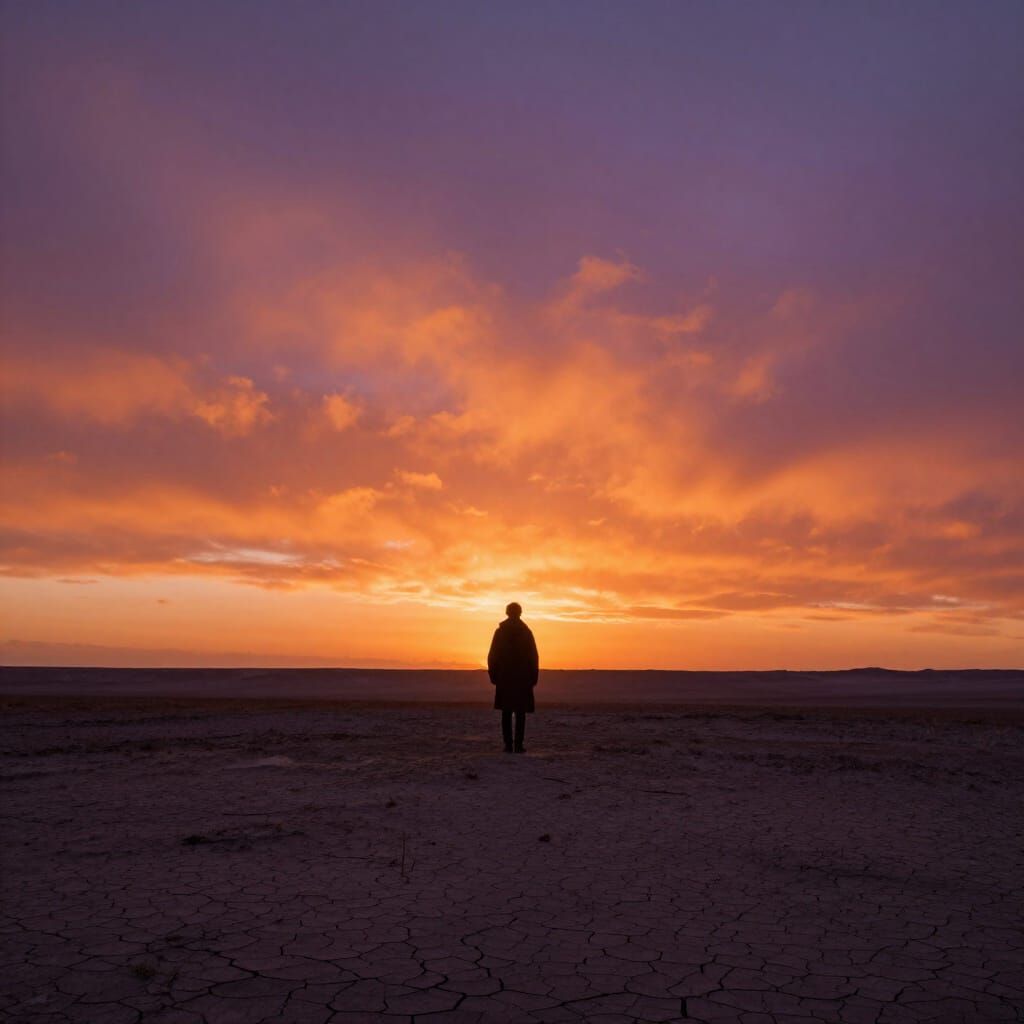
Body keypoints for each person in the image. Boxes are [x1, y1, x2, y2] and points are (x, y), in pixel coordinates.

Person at [487, 602, 539, 753]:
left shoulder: (501, 632)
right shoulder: (526, 632)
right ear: (520, 613)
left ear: (507, 613)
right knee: (519, 713)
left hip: (505, 677)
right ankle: (517, 745)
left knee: (507, 712)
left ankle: (509, 745)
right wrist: (533, 676)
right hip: (522, 678)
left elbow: (492, 655)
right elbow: (533, 656)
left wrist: (493, 674)